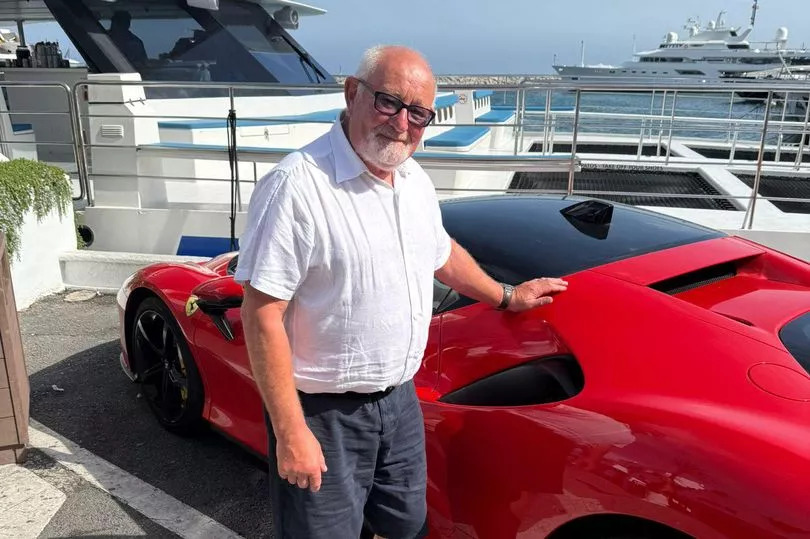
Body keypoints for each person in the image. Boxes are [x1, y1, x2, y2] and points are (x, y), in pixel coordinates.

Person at [235, 45, 568, 539]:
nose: (401, 123)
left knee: (406, 526)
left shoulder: (412, 179)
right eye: (389, 102)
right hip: (324, 412)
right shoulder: (297, 187)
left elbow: (442, 254)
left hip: (399, 401)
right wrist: (290, 433)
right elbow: (261, 313)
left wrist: (506, 296)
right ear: (353, 92)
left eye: (419, 113)